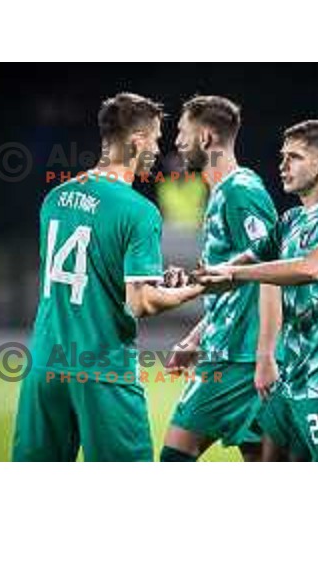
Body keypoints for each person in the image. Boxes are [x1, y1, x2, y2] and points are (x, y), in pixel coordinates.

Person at [12, 93, 205, 462]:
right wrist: (196, 288)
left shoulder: (55, 197)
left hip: (44, 366)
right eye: (156, 138)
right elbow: (141, 302)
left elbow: (86, 273)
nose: (157, 148)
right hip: (102, 369)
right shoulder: (138, 210)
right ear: (137, 141)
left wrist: (151, 279)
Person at [198, 120, 318, 462]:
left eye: (294, 157)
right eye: (282, 156)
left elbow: (312, 268)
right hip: (291, 383)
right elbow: (232, 267)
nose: (282, 165)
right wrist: (189, 281)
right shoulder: (290, 221)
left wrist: (234, 274)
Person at [160, 95, 281, 462]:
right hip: (225, 353)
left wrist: (265, 356)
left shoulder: (241, 191)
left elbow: (273, 272)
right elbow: (234, 285)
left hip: (240, 362)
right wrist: (195, 337)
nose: (177, 141)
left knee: (173, 458)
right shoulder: (219, 193)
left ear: (207, 136)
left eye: (182, 132)